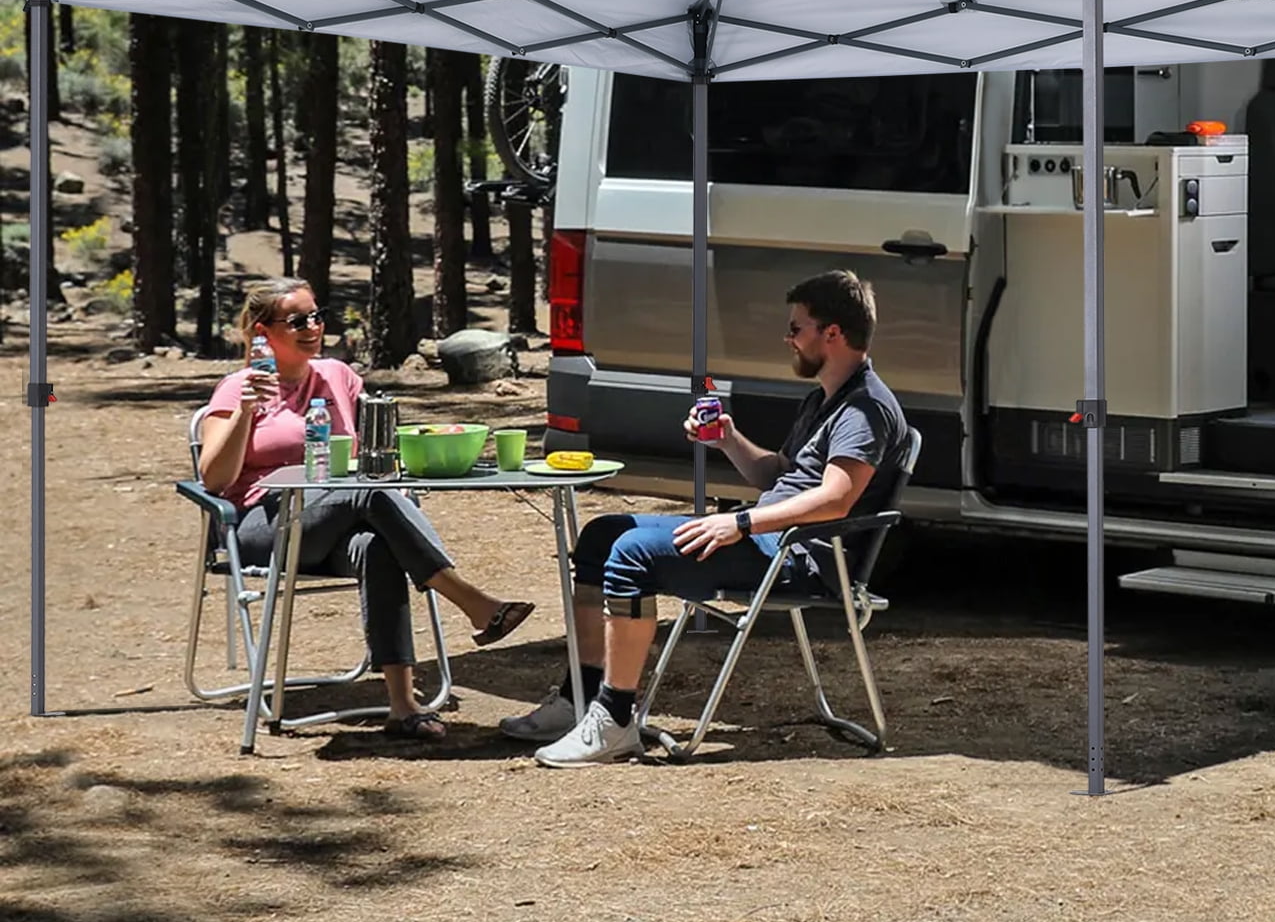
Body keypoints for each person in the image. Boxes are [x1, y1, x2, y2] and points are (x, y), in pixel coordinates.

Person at [501, 269, 909, 766]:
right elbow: (778, 475)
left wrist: (738, 525)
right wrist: (727, 439)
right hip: (770, 539)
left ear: (832, 334)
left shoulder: (864, 409)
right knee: (602, 535)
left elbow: (835, 500)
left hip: (799, 557)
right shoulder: (824, 397)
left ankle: (614, 720)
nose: (788, 339)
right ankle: (580, 698)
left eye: (796, 328)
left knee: (630, 556)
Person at [199, 277, 535, 741]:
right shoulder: (237, 388)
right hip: (263, 524)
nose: (313, 327)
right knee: (370, 493)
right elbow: (214, 479)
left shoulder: (338, 376)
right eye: (297, 320)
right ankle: (474, 603)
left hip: (336, 521)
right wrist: (244, 413)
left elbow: (373, 452)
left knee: (379, 544)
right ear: (263, 330)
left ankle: (402, 705)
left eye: (317, 316)